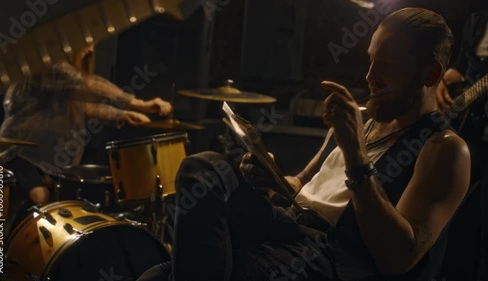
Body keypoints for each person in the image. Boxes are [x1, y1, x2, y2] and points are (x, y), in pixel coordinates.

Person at [138, 7, 471, 281]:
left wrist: (356, 156)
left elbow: (399, 257)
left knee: (157, 277)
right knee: (205, 166)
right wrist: (271, 177)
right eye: (370, 61)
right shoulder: (362, 118)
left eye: (386, 66)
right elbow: (300, 187)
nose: (370, 76)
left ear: (429, 75)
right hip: (285, 223)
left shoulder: (444, 148)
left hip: (330, 254)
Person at [0, 43, 172, 230]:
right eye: (86, 43)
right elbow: (87, 84)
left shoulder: (64, 80)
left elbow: (82, 106)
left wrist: (122, 115)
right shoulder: (45, 66)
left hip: (45, 161)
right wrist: (138, 104)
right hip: (19, 155)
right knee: (40, 198)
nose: (91, 50)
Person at [435, 7, 488, 281]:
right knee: (457, 215)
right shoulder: (479, 16)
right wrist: (451, 75)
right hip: (474, 130)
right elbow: (469, 67)